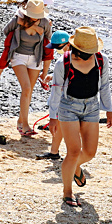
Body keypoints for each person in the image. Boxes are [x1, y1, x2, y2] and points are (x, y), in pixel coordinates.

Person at [52, 27, 112, 208]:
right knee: (73, 151)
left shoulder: (102, 60)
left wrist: (109, 110)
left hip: (92, 107)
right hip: (68, 107)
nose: (91, 55)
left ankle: (74, 168)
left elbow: (104, 87)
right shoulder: (62, 63)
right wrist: (53, 117)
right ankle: (67, 192)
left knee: (89, 152)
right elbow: (56, 91)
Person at [0, 0, 52, 136]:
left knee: (29, 91)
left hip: (35, 58)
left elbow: (49, 41)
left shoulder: (44, 23)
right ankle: (25, 125)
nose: (35, 18)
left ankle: (20, 120)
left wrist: (45, 70)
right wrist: (30, 26)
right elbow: (5, 31)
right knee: (26, 87)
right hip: (18, 56)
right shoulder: (17, 19)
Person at [37, 30, 72, 161]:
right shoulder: (83, 57)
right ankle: (54, 152)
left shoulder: (61, 62)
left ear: (68, 44)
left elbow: (56, 92)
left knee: (59, 123)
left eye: (58, 47)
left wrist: (52, 116)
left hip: (66, 100)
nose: (57, 50)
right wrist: (53, 76)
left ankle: (57, 153)